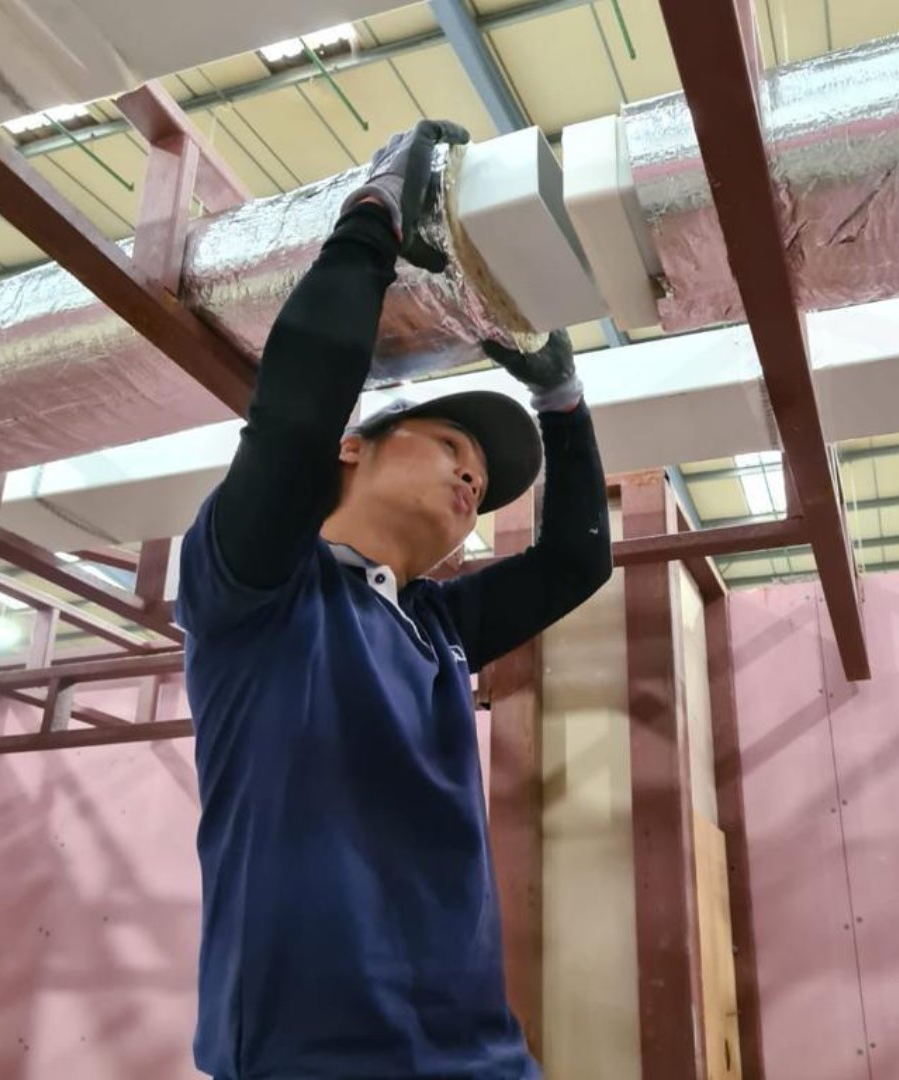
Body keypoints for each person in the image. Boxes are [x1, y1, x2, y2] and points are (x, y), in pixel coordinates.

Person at [176, 119, 612, 1079]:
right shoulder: (258, 588)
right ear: (351, 448)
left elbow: (578, 562)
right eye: (449, 448)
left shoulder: (436, 627)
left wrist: (566, 401)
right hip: (308, 1061)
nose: (471, 481)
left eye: (482, 482)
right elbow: (293, 407)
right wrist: (371, 219)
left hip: (483, 1060)